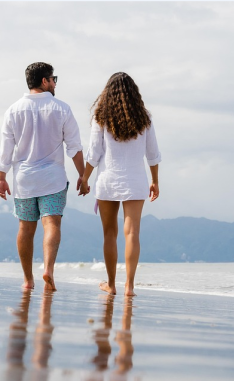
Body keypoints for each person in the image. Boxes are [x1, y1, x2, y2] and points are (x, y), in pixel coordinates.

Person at [0, 62, 86, 291]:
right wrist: (83, 175)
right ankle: (48, 269)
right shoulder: (61, 108)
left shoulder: (13, 110)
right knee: (51, 223)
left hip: (24, 180)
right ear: (44, 81)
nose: (55, 83)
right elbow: (74, 147)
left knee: (25, 228)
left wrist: (1, 177)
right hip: (52, 179)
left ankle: (28, 280)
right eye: (53, 79)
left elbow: (6, 148)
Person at [79, 72, 161, 296]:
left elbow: (94, 154)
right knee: (132, 232)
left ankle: (112, 284)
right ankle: (129, 286)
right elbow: (152, 154)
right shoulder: (144, 117)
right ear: (134, 93)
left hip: (108, 180)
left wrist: (85, 178)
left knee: (109, 234)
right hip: (136, 181)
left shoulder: (101, 117)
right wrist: (155, 181)